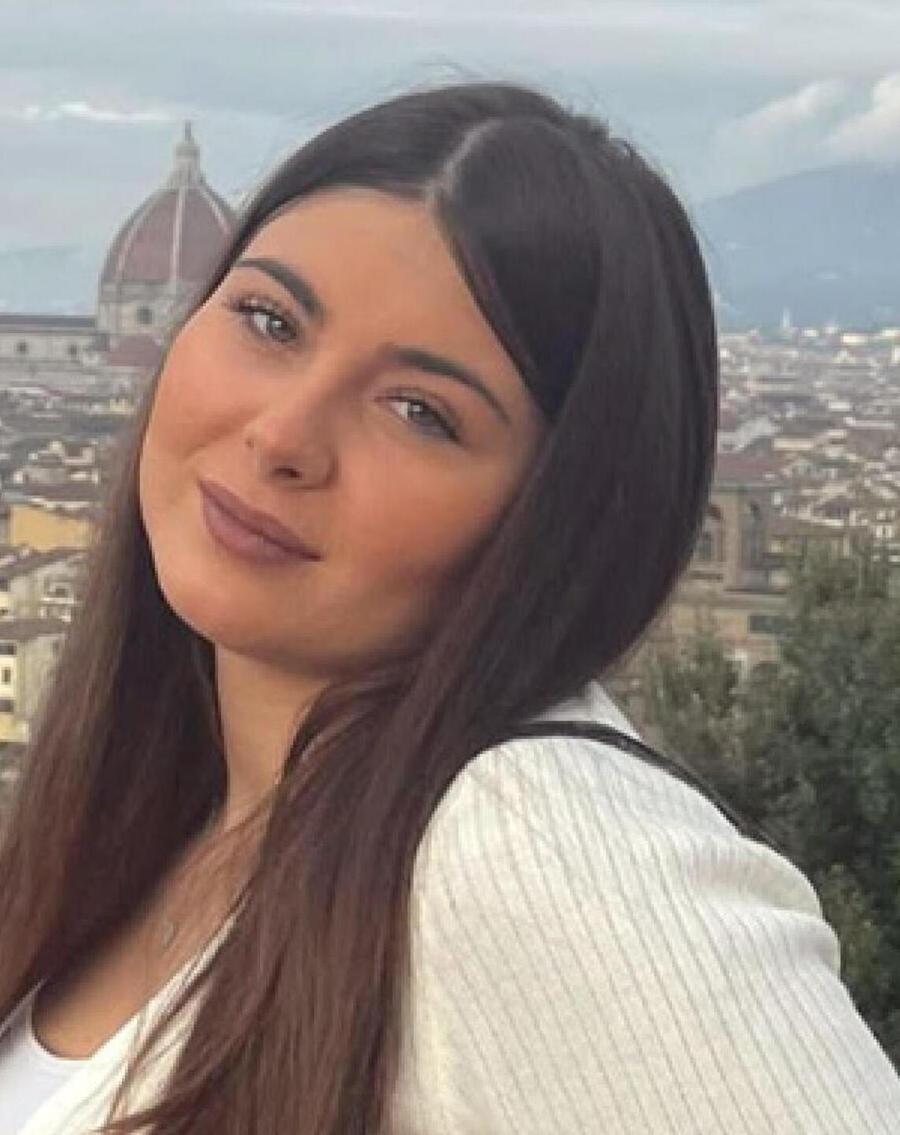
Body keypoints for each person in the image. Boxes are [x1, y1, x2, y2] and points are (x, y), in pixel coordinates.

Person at [0, 80, 896, 1135]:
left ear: (561, 515)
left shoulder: (537, 842)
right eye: (269, 320)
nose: (282, 434)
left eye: (422, 411)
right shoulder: (167, 818)